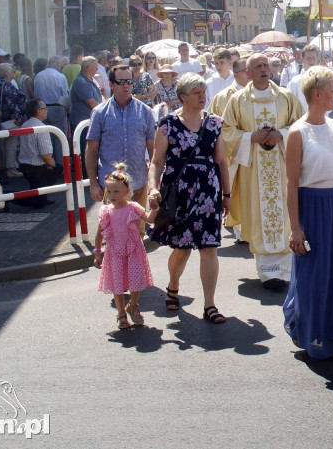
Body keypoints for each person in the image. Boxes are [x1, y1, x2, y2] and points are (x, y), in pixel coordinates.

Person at [283, 67, 333, 361]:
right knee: (314, 276)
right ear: (316, 95)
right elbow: (291, 184)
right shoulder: (297, 133)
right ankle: (309, 333)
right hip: (312, 206)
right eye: (332, 91)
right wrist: (296, 228)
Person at [148, 73, 232, 323]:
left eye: (203, 91)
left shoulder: (215, 123)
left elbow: (221, 162)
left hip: (208, 193)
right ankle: (173, 285)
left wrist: (227, 195)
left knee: (209, 247)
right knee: (182, 249)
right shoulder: (168, 124)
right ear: (182, 96)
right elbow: (156, 162)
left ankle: (210, 305)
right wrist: (153, 188)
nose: (202, 96)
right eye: (196, 92)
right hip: (180, 193)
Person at [221, 54, 305, 287]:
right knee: (260, 216)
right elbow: (226, 132)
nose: (264, 69)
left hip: (282, 167)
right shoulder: (238, 100)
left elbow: (301, 125)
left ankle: (286, 270)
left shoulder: (286, 97)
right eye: (258, 66)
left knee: (285, 215)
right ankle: (267, 272)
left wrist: (282, 134)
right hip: (254, 170)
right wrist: (249, 137)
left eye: (266, 65)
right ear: (247, 72)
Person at [93, 164, 157, 330]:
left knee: (137, 280)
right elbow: (99, 233)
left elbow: (149, 219)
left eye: (116, 191)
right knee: (117, 284)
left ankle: (133, 305)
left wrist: (155, 208)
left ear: (126, 192)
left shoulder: (133, 208)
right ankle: (121, 313)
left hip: (133, 251)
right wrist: (97, 252)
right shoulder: (106, 211)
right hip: (114, 253)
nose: (112, 195)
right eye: (109, 191)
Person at [85, 65, 158, 210]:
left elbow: (153, 150)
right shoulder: (99, 113)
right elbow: (91, 150)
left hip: (138, 182)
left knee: (138, 231)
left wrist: (154, 183)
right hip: (111, 185)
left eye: (129, 81)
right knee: (113, 230)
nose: (126, 85)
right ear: (111, 85)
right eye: (121, 82)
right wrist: (93, 183)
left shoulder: (146, 112)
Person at [13, 99, 63, 208]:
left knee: (38, 188)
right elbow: (45, 155)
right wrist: (51, 164)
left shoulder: (25, 125)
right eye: (45, 108)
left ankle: (41, 196)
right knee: (57, 168)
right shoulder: (42, 128)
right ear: (38, 111)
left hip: (25, 165)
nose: (47, 111)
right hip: (36, 167)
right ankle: (9, 196)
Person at [0, 62, 26, 179]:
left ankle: (3, 166)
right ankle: (11, 168)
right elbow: (12, 104)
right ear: (6, 73)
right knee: (11, 145)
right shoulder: (7, 86)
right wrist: (18, 117)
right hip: (10, 121)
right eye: (11, 70)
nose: (13, 72)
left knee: (2, 145)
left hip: (1, 120)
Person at [286, 45, 321, 110]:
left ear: (318, 58)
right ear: (302, 59)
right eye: (308, 58)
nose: (311, 60)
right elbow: (289, 103)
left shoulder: (325, 79)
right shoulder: (295, 82)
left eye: (313, 57)